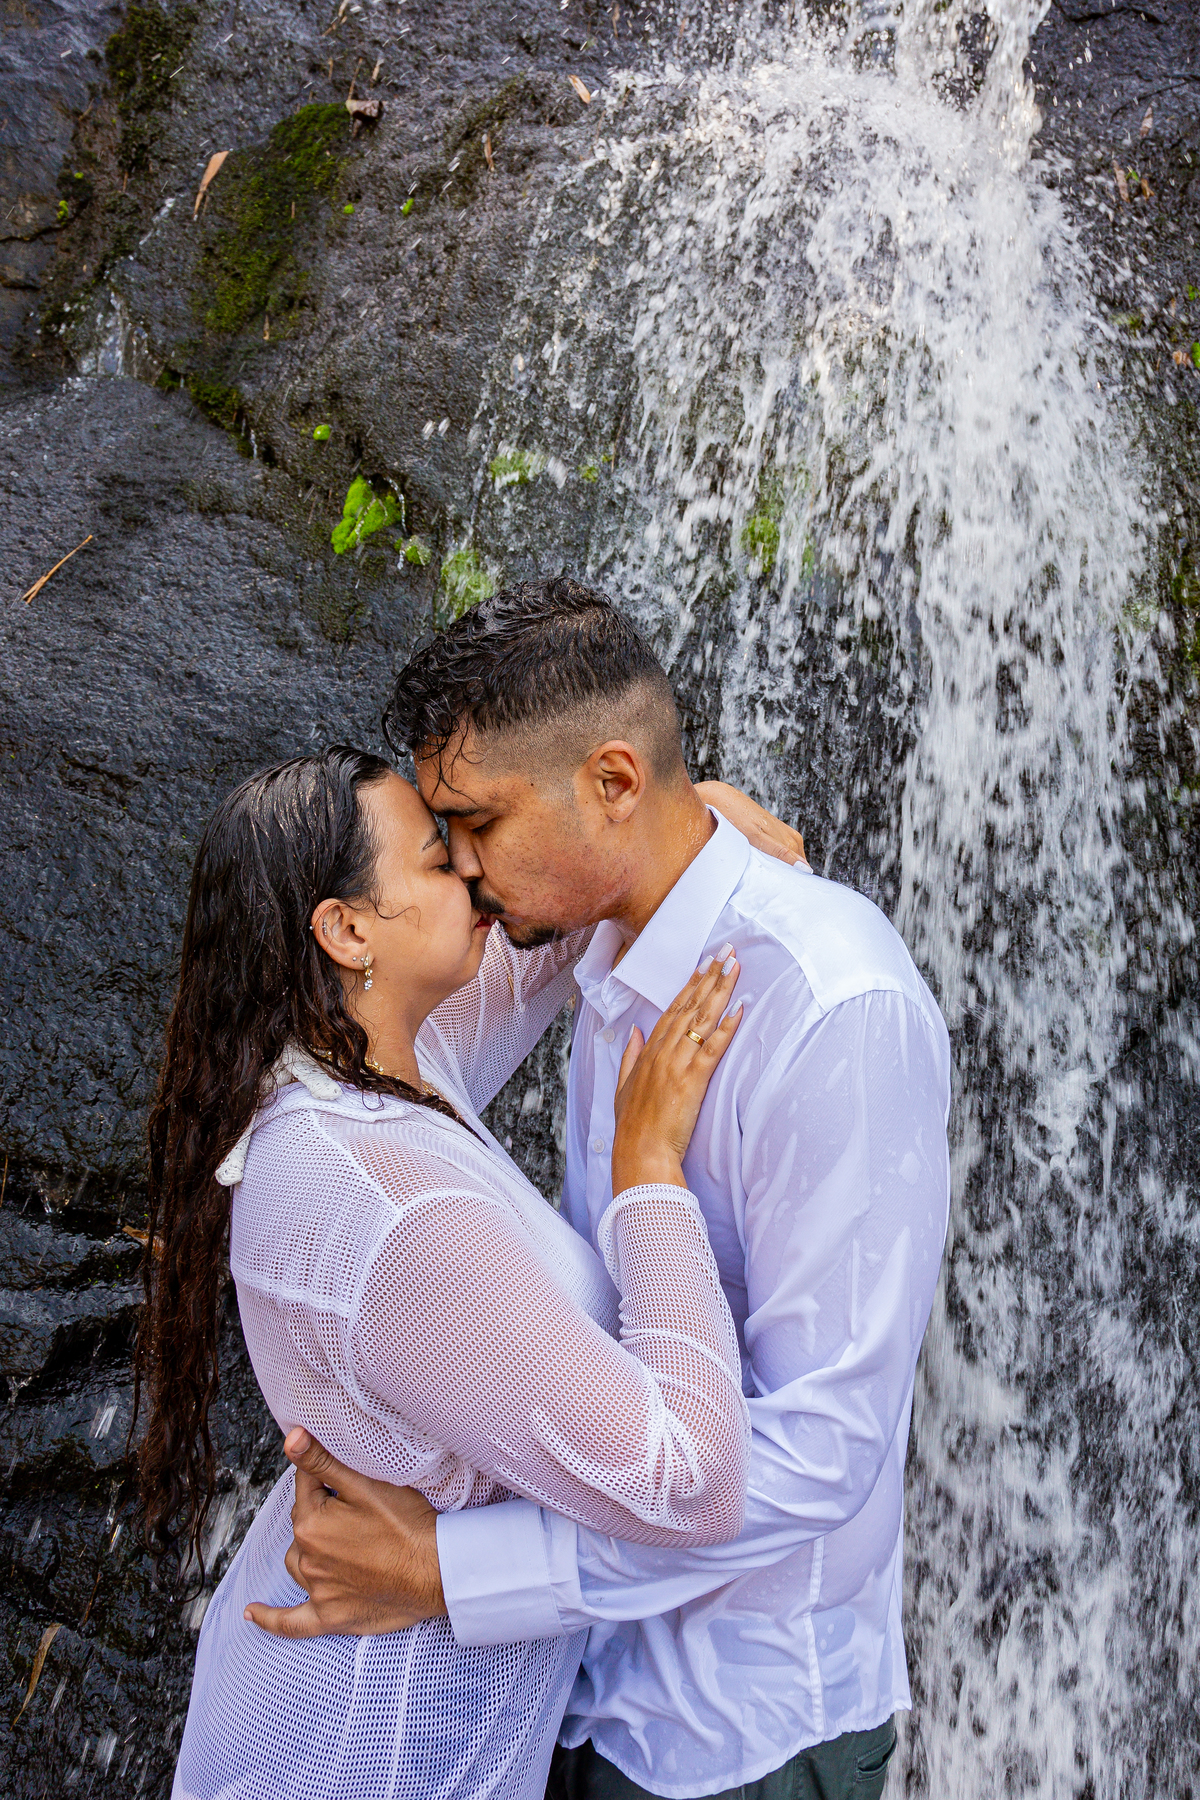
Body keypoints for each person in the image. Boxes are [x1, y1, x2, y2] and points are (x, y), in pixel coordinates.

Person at [247, 578, 953, 1800]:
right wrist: (696, 819)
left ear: (614, 783)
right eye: (440, 837)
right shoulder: (598, 932)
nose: (461, 871)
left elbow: (824, 1447)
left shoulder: (835, 1011)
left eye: (476, 824)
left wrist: (456, 1571)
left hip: (733, 1730)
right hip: (565, 1696)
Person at [142, 742, 798, 1800]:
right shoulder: (390, 1210)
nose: (474, 871)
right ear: (347, 930)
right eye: (437, 858)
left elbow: (549, 926)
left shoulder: (371, 1064)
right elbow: (692, 1482)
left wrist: (674, 822)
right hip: (367, 1753)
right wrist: (648, 1174)